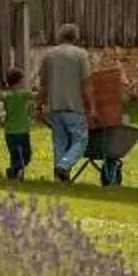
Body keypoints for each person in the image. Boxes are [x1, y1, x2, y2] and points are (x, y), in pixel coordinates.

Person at [36, 23, 93, 181]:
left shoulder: (49, 55)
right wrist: (91, 107)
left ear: (60, 36)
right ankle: (64, 165)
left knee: (59, 142)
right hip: (74, 107)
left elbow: (43, 84)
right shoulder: (81, 55)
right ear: (75, 37)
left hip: (54, 107)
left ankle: (59, 178)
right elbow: (86, 83)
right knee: (80, 140)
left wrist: (38, 106)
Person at [82, 58, 127, 186]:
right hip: (103, 134)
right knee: (112, 148)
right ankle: (111, 177)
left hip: (93, 134)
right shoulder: (98, 85)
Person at [0, 60, 33, 181]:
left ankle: (14, 173)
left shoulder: (6, 96)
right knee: (27, 156)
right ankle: (13, 169)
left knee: (14, 155)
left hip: (9, 131)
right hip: (22, 130)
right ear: (19, 81)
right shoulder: (24, 95)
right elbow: (36, 95)